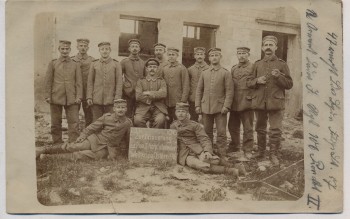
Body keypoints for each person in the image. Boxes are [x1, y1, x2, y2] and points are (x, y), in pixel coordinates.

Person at [247, 35, 293, 166]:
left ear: (276, 48)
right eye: (266, 45)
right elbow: (248, 82)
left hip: (276, 103)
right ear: (262, 48)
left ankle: (273, 154)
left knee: (275, 129)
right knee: (260, 128)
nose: (268, 47)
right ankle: (261, 151)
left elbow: (289, 84)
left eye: (270, 45)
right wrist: (257, 81)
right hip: (260, 102)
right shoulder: (257, 64)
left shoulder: (282, 64)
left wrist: (279, 77)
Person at [36, 99, 132, 161]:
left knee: (81, 156)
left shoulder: (128, 123)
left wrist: (123, 151)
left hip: (108, 148)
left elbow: (127, 139)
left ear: (126, 109)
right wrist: (82, 136)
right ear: (114, 109)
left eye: (123, 107)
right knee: (73, 147)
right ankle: (44, 149)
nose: (120, 110)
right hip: (95, 140)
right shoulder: (106, 117)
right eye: (118, 107)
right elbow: (91, 128)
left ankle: (47, 157)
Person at [170, 103, 246, 176]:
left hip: (198, 150)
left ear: (187, 113)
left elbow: (204, 138)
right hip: (185, 155)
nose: (180, 114)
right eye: (178, 111)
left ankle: (236, 166)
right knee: (200, 165)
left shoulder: (195, 125)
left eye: (183, 111)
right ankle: (230, 171)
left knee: (211, 160)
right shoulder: (173, 126)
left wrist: (207, 151)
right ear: (175, 113)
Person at [195, 48, 234, 157]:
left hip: (220, 108)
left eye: (216, 55)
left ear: (220, 57)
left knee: (221, 132)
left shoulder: (225, 73)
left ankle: (222, 153)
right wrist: (198, 105)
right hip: (206, 106)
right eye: (212, 55)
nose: (214, 57)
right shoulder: (204, 73)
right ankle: (209, 152)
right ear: (209, 58)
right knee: (207, 132)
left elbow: (229, 91)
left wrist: (226, 106)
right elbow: (199, 90)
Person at [44, 40, 82, 144]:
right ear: (59, 49)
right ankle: (57, 143)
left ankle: (73, 143)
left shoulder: (75, 64)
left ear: (70, 50)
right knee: (55, 122)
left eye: (67, 49)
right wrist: (48, 95)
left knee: (74, 122)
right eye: (62, 49)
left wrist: (79, 96)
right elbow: (48, 81)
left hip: (72, 97)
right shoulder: (53, 63)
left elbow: (79, 82)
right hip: (56, 96)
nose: (65, 51)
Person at [227, 47, 254, 159]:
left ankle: (248, 149)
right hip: (235, 102)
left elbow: (256, 83)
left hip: (247, 102)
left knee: (247, 127)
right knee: (232, 126)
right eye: (239, 53)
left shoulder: (253, 67)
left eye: (244, 53)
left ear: (248, 54)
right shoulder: (234, 68)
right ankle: (235, 145)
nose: (241, 55)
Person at [87, 42, 123, 122]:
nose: (104, 51)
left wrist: (117, 97)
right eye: (102, 49)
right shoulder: (94, 63)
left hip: (111, 98)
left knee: (110, 121)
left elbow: (119, 82)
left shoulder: (116, 64)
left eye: (106, 49)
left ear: (110, 50)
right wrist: (89, 96)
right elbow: (90, 82)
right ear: (99, 51)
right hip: (96, 98)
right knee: (97, 121)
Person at [160, 47, 190, 126]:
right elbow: (160, 83)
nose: (171, 56)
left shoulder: (182, 68)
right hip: (166, 101)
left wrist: (183, 100)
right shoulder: (164, 68)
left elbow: (186, 85)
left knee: (179, 122)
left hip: (178, 101)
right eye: (169, 55)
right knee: (166, 121)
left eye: (173, 54)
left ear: (177, 56)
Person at [134, 58, 168, 128]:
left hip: (158, 107)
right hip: (143, 107)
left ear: (157, 69)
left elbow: (163, 94)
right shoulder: (141, 81)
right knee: (138, 120)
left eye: (154, 67)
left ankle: (154, 136)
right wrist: (156, 95)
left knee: (160, 120)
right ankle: (145, 136)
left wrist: (148, 92)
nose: (152, 69)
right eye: (150, 67)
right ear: (146, 69)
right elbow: (138, 96)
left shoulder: (161, 81)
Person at [71, 38, 95, 127]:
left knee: (89, 114)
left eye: (85, 46)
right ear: (77, 47)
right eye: (81, 46)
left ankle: (87, 133)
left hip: (87, 91)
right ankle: (75, 133)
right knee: (73, 113)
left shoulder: (92, 60)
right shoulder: (72, 60)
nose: (83, 48)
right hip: (75, 91)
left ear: (88, 48)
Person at [121, 39, 146, 118]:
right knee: (127, 114)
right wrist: (124, 86)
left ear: (139, 49)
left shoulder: (143, 63)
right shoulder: (124, 62)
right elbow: (119, 77)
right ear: (129, 49)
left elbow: (145, 78)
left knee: (138, 115)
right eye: (132, 47)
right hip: (127, 92)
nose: (134, 48)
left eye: (136, 46)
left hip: (140, 93)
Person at [187, 47, 209, 122]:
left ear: (204, 56)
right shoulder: (190, 69)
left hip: (205, 98)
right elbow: (187, 84)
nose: (199, 56)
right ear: (194, 56)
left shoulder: (209, 68)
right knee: (193, 119)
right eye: (197, 54)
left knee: (205, 120)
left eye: (201, 54)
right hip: (193, 98)